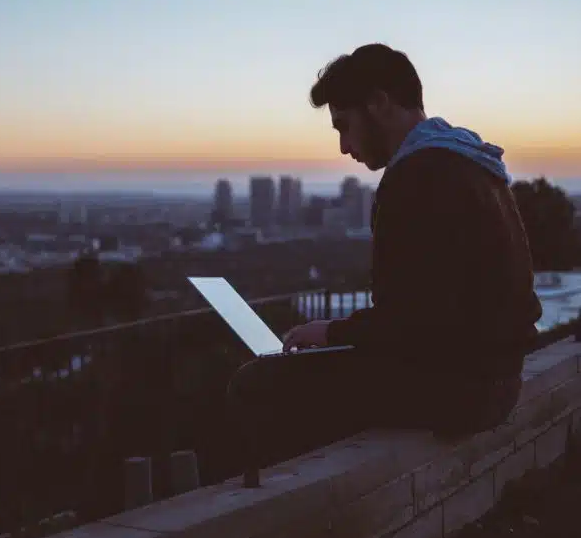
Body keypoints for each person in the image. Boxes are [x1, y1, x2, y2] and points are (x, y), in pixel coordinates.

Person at [229, 44, 542, 457]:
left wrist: (330, 333)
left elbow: (413, 324)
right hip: (498, 380)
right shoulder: (471, 162)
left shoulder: (417, 176)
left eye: (344, 126)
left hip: (460, 390)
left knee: (257, 384)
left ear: (378, 104)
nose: (343, 146)